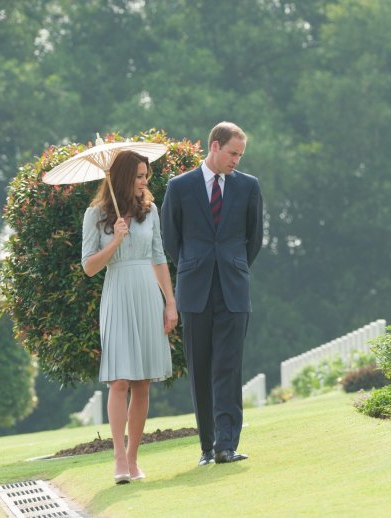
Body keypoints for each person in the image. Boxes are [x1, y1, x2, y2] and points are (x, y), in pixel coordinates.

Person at [161, 121, 263, 465]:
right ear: (215, 147)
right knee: (201, 368)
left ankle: (226, 445)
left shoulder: (249, 187)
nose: (237, 160)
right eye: (233, 153)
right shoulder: (179, 187)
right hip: (195, 290)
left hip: (234, 290)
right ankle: (206, 446)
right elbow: (170, 240)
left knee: (229, 367)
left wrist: (231, 266)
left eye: (241, 155)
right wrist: (197, 266)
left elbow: (255, 238)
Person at [81, 150, 177, 484]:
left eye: (145, 176)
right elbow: (89, 267)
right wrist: (115, 241)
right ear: (123, 177)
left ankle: (134, 459)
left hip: (147, 294)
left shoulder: (151, 212)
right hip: (117, 293)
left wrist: (170, 303)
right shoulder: (95, 214)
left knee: (142, 382)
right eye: (138, 176)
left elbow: (159, 258)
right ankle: (119, 460)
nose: (144, 181)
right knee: (119, 380)